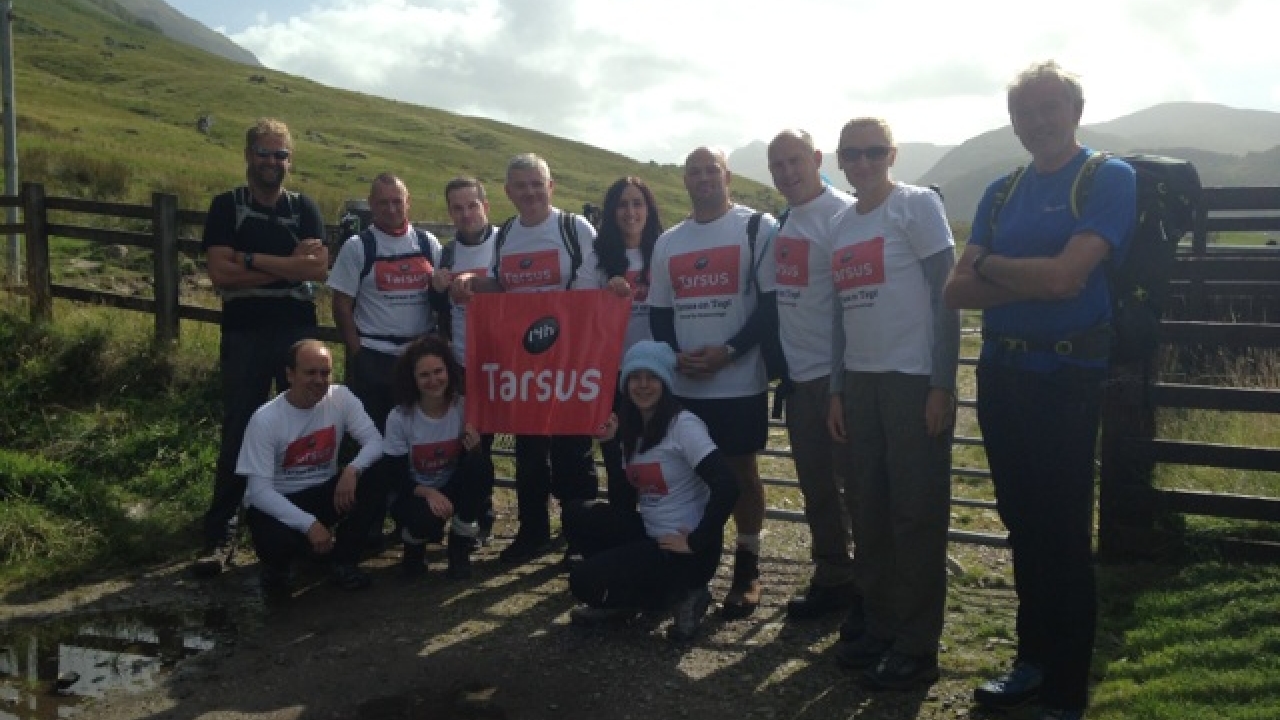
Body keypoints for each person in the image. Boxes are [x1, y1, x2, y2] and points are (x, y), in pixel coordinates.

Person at [943, 61, 1136, 720]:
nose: (1037, 121)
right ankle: (1032, 661)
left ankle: (1063, 690)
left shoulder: (1106, 178)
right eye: (1024, 112)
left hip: (1066, 380)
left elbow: (1066, 281)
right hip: (1002, 376)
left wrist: (993, 265)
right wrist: (1028, 275)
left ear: (1075, 109)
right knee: (1023, 524)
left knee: (1062, 532)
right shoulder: (1002, 191)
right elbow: (954, 290)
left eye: (1049, 108)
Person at [825, 117, 960, 690]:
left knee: (916, 513)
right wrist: (835, 387)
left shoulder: (916, 206)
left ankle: (917, 644)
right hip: (860, 382)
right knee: (869, 510)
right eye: (850, 154)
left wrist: (942, 384)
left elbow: (946, 296)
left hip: (911, 380)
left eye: (873, 152)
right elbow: (838, 313)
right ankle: (880, 626)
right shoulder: (840, 223)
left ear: (892, 154)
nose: (861, 163)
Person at [451, 153, 626, 565]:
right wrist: (472, 284)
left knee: (571, 452)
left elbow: (586, 295)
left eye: (537, 184)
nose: (529, 192)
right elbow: (503, 287)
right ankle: (532, 534)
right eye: (520, 185)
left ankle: (577, 537)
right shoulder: (507, 232)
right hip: (525, 364)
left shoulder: (572, 228)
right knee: (529, 453)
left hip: (567, 362)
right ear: (508, 191)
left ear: (551, 187)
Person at [193, 118, 329, 577]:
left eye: (282, 155)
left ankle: (301, 523)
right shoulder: (225, 206)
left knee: (305, 426)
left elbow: (316, 270)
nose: (274, 162)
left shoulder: (304, 207)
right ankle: (222, 533)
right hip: (245, 331)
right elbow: (220, 274)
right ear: (249, 155)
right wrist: (287, 266)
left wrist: (249, 259)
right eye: (266, 153)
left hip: (296, 330)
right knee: (240, 427)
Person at [647, 146, 778, 620]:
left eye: (712, 171)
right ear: (684, 180)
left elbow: (771, 306)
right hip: (686, 384)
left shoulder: (756, 227)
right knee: (690, 478)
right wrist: (673, 358)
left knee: (742, 474)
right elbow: (660, 313)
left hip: (739, 380)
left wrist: (730, 351)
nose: (703, 179)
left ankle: (747, 568)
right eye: (694, 172)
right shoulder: (669, 242)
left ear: (727, 176)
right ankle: (693, 569)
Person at [563, 341, 739, 642]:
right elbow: (623, 503)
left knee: (582, 580)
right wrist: (608, 445)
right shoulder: (631, 428)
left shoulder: (684, 425)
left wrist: (696, 540)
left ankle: (688, 592)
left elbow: (728, 485)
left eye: (652, 377)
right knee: (576, 513)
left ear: (666, 382)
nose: (643, 385)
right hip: (651, 533)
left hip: (684, 549)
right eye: (635, 377)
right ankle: (630, 598)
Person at [765, 129, 864, 622]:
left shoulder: (843, 214)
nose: (786, 172)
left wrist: (842, 382)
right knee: (817, 486)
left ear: (817, 159)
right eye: (777, 165)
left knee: (856, 486)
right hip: (799, 379)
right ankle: (833, 577)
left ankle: (870, 588)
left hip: (836, 375)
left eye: (794, 161)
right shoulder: (786, 220)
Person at [240, 340, 386, 593]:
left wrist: (352, 470)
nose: (319, 380)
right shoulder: (265, 419)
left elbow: (375, 442)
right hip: (280, 500)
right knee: (274, 538)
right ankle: (278, 568)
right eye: (310, 373)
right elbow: (259, 492)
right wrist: (310, 525)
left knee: (377, 473)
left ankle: (344, 561)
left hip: (325, 492)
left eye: (325, 372)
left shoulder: (341, 397)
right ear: (289, 374)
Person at [329, 173, 443, 434]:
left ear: (408, 201)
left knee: (421, 434)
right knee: (377, 437)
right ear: (371, 204)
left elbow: (441, 296)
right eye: (383, 203)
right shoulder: (358, 247)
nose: (391, 209)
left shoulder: (428, 243)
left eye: (397, 201)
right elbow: (341, 305)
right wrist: (358, 354)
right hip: (376, 356)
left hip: (419, 357)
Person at [383, 336, 495, 579]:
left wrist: (474, 449)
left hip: (450, 485)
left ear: (449, 371)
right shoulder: (399, 417)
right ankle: (413, 548)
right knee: (422, 518)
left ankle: (460, 544)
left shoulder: (464, 407)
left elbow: (473, 470)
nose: (434, 380)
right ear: (412, 379)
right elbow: (395, 477)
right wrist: (429, 493)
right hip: (415, 492)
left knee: (481, 467)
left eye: (438, 371)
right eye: (424, 375)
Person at [429, 176, 501, 544]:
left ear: (485, 206)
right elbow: (440, 311)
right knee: (474, 443)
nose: (466, 214)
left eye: (472, 205)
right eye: (457, 208)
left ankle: (535, 525)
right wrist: (438, 291)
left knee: (533, 444)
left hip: (508, 362)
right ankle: (477, 515)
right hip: (463, 362)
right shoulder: (447, 253)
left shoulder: (506, 242)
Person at [591, 177, 665, 508]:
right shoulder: (595, 258)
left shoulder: (665, 250)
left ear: (649, 210)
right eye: (622, 204)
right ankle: (622, 523)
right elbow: (581, 310)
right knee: (617, 454)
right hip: (612, 372)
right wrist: (604, 296)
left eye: (637, 203)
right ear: (611, 211)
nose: (630, 211)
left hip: (658, 371)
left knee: (657, 451)